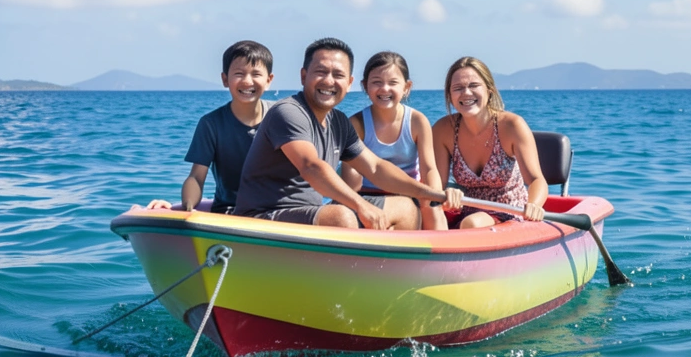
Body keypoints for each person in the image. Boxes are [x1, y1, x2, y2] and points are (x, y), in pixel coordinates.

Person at [234, 38, 460, 229]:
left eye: (338, 75)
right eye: (321, 72)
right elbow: (312, 167)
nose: (329, 81)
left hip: (308, 214)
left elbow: (376, 168)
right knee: (341, 217)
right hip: (263, 218)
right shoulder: (288, 112)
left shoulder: (339, 122)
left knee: (406, 208)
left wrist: (431, 194)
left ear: (350, 82)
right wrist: (361, 205)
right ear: (304, 76)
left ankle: (389, 277)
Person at [147, 40, 275, 213]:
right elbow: (196, 177)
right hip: (230, 211)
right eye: (239, 73)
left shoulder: (281, 116)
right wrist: (186, 206)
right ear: (225, 79)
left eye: (255, 74)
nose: (247, 81)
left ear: (268, 80)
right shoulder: (211, 124)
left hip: (277, 210)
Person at [431, 56, 548, 228]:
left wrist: (534, 206)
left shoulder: (512, 126)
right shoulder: (443, 129)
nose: (466, 93)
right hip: (467, 214)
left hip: (510, 214)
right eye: (458, 88)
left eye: (473, 85)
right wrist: (446, 195)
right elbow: (436, 186)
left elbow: (537, 180)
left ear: (489, 90)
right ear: (450, 96)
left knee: (472, 223)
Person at [340, 51, 448, 230]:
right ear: (365, 86)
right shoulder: (356, 124)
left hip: (411, 193)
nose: (384, 89)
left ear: (406, 87)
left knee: (432, 209)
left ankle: (442, 252)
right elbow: (351, 182)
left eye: (393, 83)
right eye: (376, 82)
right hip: (370, 196)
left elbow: (429, 168)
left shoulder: (417, 121)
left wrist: (434, 198)